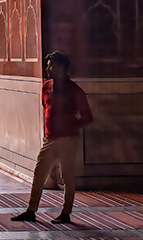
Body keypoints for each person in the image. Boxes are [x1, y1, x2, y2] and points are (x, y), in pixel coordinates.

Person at [12, 51, 93, 225]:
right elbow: (46, 108)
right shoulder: (46, 86)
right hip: (50, 138)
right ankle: (31, 210)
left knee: (67, 175)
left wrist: (70, 126)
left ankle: (66, 212)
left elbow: (87, 117)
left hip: (68, 139)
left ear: (63, 68)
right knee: (39, 173)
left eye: (52, 66)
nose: (48, 69)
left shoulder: (74, 90)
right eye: (48, 65)